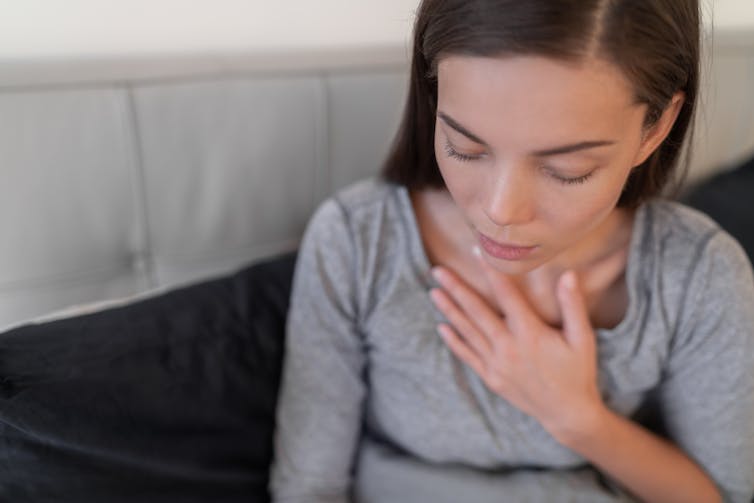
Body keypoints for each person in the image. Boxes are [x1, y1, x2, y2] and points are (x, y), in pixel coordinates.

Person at [269, 1, 754, 502]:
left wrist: (582, 421)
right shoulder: (358, 243)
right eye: (465, 148)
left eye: (567, 170)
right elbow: (309, 487)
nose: (502, 211)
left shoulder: (700, 275)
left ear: (656, 126)